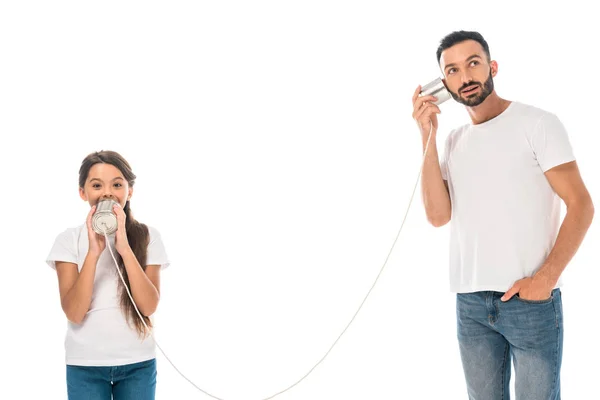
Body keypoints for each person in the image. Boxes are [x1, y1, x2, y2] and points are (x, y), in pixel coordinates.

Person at [413, 31, 594, 399]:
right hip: (472, 305)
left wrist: (546, 278)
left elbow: (581, 204)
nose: (465, 77)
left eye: (473, 64)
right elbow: (437, 216)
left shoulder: (537, 124)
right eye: (453, 71)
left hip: (529, 303)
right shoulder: (453, 140)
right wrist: (426, 134)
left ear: (492, 67)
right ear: (444, 84)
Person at [46, 150, 170, 400]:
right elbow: (74, 312)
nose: (107, 192)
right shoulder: (68, 240)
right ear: (83, 193)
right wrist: (93, 253)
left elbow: (148, 306)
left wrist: (123, 247)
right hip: (85, 365)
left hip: (138, 364)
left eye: (117, 184)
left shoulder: (148, 237)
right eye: (96, 185)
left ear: (129, 191)